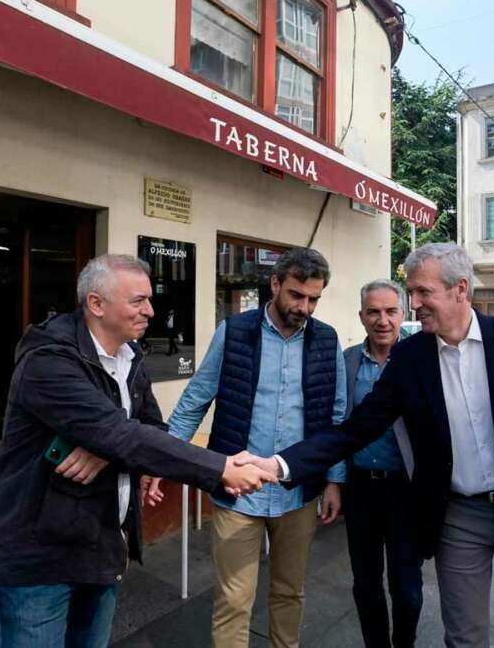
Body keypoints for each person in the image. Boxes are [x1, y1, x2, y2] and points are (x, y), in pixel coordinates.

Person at [243, 242, 494, 648]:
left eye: (423, 293)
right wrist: (282, 464)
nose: (414, 304)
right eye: (412, 293)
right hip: (459, 515)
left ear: (460, 289)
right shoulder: (412, 356)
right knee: (465, 636)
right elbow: (356, 429)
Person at [0, 254, 275, 647]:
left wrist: (106, 447)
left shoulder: (129, 356)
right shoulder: (48, 361)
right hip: (40, 561)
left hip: (101, 548)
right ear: (96, 304)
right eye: (138, 301)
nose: (150, 311)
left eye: (149, 300)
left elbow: (145, 429)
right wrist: (221, 467)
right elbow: (119, 433)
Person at [148, 247, 347, 648]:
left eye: (313, 299)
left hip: (298, 492)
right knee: (234, 600)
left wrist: (334, 481)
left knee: (289, 592)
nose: (304, 307)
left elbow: (337, 418)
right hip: (239, 492)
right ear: (275, 284)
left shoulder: (326, 340)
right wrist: (162, 459)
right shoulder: (235, 332)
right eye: (296, 295)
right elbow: (195, 399)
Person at [343, 279, 422, 648]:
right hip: (360, 487)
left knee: (406, 588)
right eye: (373, 312)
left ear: (402, 315)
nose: (382, 320)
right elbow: (337, 423)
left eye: (391, 311)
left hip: (405, 490)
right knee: (365, 583)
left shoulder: (421, 359)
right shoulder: (347, 362)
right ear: (361, 317)